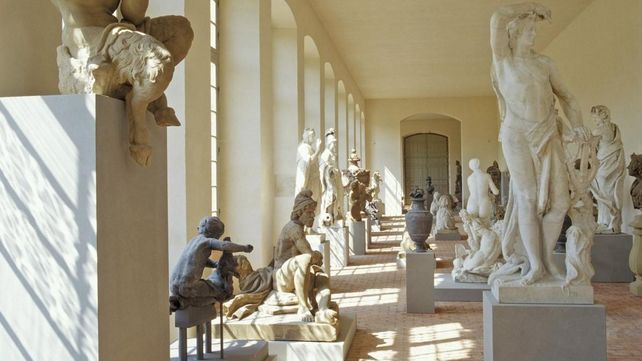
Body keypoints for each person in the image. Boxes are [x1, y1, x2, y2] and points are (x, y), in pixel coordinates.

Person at [490, 2, 590, 285]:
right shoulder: (503, 61)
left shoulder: (545, 64)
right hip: (517, 134)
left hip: (547, 133)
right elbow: (497, 18)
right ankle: (534, 265)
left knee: (559, 202)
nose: (534, 35)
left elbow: (567, 98)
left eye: (534, 30)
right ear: (514, 33)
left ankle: (547, 261)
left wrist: (578, 125)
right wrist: (531, 7)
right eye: (528, 31)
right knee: (528, 198)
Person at [49, 0, 194, 165]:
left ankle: (137, 88)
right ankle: (138, 110)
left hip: (119, 31)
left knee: (182, 30)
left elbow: (133, 17)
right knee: (160, 60)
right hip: (90, 41)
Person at [273, 190, 337, 324]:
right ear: (299, 213)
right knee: (305, 259)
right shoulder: (294, 229)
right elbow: (309, 255)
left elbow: (310, 255)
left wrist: (315, 256)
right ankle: (303, 307)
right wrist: (316, 255)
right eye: (309, 212)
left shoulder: (300, 228)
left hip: (294, 273)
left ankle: (323, 308)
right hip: (281, 277)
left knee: (322, 278)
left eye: (313, 212)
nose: (312, 216)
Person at [169, 216, 253, 312]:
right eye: (218, 236)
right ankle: (182, 302)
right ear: (215, 234)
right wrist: (244, 248)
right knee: (219, 291)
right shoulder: (207, 241)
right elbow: (225, 245)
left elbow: (198, 261)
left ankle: (177, 301)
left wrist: (214, 264)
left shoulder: (192, 242)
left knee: (202, 288)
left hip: (173, 284)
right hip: (188, 287)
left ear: (199, 228)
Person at [590, 105, 625, 233]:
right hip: (605, 163)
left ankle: (610, 224)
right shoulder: (614, 127)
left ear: (604, 115)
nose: (595, 120)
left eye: (595, 117)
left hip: (607, 166)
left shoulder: (605, 128)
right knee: (602, 193)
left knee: (605, 193)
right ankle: (603, 222)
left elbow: (589, 136)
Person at [467, 158, 500, 223]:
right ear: (479, 164)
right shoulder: (486, 176)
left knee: (473, 226)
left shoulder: (469, 178)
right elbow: (496, 192)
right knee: (485, 225)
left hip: (472, 203)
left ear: (470, 167)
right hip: (484, 202)